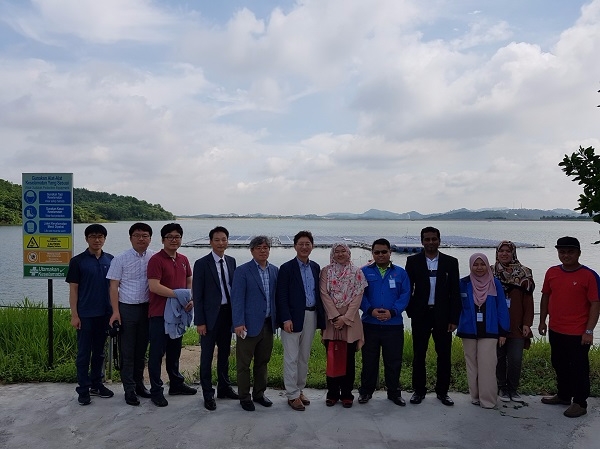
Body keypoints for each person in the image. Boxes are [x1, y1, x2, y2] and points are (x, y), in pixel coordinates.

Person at [538, 236, 600, 418]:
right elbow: (545, 297)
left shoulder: (589, 275)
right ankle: (564, 395)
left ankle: (580, 402)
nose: (566, 255)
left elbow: (596, 304)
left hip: (578, 333)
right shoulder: (552, 272)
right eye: (562, 252)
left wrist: (589, 331)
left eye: (570, 252)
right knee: (559, 364)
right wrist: (542, 321)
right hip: (556, 330)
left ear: (579, 253)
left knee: (579, 368)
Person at [405, 226, 461, 407]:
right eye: (427, 239)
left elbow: (455, 292)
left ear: (439, 240)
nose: (430, 242)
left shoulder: (450, 262)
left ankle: (442, 392)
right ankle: (418, 391)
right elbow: (407, 289)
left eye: (433, 239)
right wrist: (410, 310)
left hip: (443, 316)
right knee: (418, 354)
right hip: (420, 315)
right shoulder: (412, 261)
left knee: (444, 355)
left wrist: (454, 318)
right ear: (422, 241)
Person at [147, 223, 197, 407]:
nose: (174, 240)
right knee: (156, 354)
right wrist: (179, 294)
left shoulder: (183, 259)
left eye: (177, 237)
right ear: (162, 240)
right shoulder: (156, 260)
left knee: (174, 352)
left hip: (178, 314)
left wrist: (189, 297)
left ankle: (176, 384)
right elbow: (154, 286)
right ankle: (156, 390)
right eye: (169, 237)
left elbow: (189, 279)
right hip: (159, 314)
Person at [276, 231, 325, 411]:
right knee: (291, 357)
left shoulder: (315, 267)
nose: (304, 247)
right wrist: (285, 318)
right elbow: (281, 296)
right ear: (295, 246)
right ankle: (291, 394)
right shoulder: (286, 268)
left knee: (304, 357)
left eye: (308, 244)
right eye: (301, 244)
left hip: (311, 316)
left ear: (312, 246)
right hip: (292, 318)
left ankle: (299, 390)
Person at [106, 222, 155, 406]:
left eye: (145, 235)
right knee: (127, 352)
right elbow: (113, 287)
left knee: (141, 351)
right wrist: (115, 312)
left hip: (147, 309)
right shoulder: (120, 258)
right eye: (137, 235)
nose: (141, 239)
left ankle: (140, 385)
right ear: (130, 238)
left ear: (150, 238)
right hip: (126, 308)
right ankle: (129, 390)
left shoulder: (154, 256)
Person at [358, 238, 410, 406]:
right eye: (377, 252)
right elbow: (359, 295)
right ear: (372, 253)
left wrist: (393, 311)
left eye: (384, 252)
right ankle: (366, 391)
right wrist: (369, 310)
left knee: (393, 361)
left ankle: (394, 393)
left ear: (390, 252)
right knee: (369, 360)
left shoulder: (400, 273)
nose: (380, 255)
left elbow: (405, 295)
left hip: (393, 325)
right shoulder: (364, 272)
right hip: (369, 324)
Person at [66, 224, 114, 406]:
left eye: (100, 236)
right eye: (93, 236)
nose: (97, 240)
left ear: (104, 239)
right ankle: (83, 389)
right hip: (85, 314)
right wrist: (74, 315)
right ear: (87, 239)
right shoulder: (78, 261)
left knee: (100, 353)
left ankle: (97, 383)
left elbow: (115, 288)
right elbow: (73, 290)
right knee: (84, 353)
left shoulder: (110, 259)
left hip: (105, 314)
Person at [193, 226, 239, 411]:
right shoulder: (202, 263)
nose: (221, 243)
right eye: (217, 240)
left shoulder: (232, 261)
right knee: (206, 356)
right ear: (211, 242)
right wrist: (200, 321)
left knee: (225, 353)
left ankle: (224, 387)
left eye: (224, 239)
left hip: (227, 314)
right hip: (210, 317)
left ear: (228, 241)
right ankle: (207, 393)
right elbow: (198, 294)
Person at [231, 236, 278, 412]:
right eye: (259, 247)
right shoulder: (243, 271)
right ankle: (244, 396)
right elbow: (237, 299)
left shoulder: (274, 271)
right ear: (252, 251)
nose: (263, 250)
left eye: (266, 247)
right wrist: (238, 322)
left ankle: (259, 393)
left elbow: (274, 298)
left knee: (262, 362)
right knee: (244, 364)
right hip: (247, 326)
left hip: (267, 324)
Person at [457, 253, 509, 409]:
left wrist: (503, 331)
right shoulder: (463, 283)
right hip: (469, 330)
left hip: (490, 330)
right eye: (475, 264)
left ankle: (488, 400)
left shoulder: (495, 283)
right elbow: (456, 305)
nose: (479, 268)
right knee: (472, 365)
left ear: (487, 265)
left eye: (482, 264)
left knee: (487, 366)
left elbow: (502, 308)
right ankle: (475, 396)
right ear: (471, 265)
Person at [320, 242, 367, 408]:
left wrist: (345, 318)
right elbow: (324, 294)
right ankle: (332, 393)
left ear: (349, 253)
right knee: (332, 357)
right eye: (337, 251)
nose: (340, 254)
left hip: (350, 321)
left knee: (349, 359)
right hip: (331, 320)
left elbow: (358, 297)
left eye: (343, 251)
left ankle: (347, 394)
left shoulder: (357, 272)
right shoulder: (326, 271)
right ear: (332, 254)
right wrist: (335, 316)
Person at [492, 241, 534, 403]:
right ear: (497, 253)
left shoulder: (524, 273)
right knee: (499, 357)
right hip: (496, 324)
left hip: (517, 324)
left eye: (508, 251)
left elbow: (528, 301)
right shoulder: (490, 272)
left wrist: (527, 323)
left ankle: (513, 388)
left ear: (513, 253)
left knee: (516, 358)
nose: (504, 254)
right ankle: (502, 387)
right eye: (501, 251)